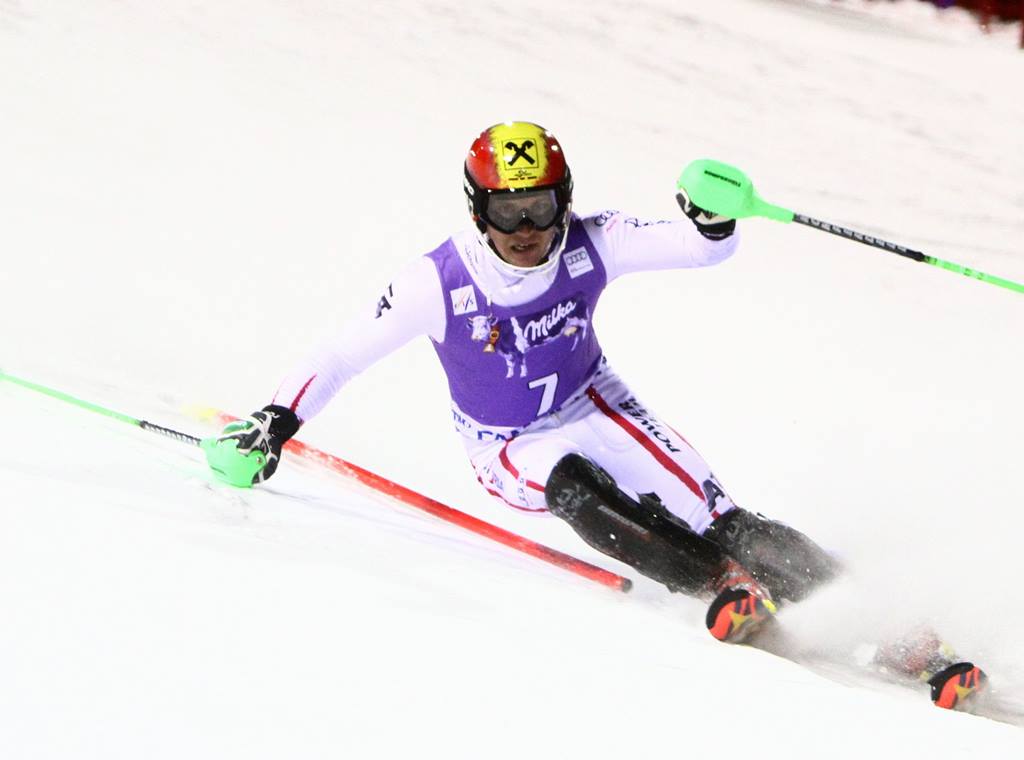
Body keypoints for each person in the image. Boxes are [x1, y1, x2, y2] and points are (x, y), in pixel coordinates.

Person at [206, 121, 841, 643]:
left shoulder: (595, 240)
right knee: (575, 488)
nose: (525, 231)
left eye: (539, 207)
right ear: (477, 209)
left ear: (565, 198)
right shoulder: (437, 281)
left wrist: (714, 221)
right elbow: (341, 355)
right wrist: (272, 422)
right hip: (507, 442)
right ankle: (719, 584)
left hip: (596, 400)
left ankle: (883, 616)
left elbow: (703, 249)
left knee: (719, 515)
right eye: (505, 212)